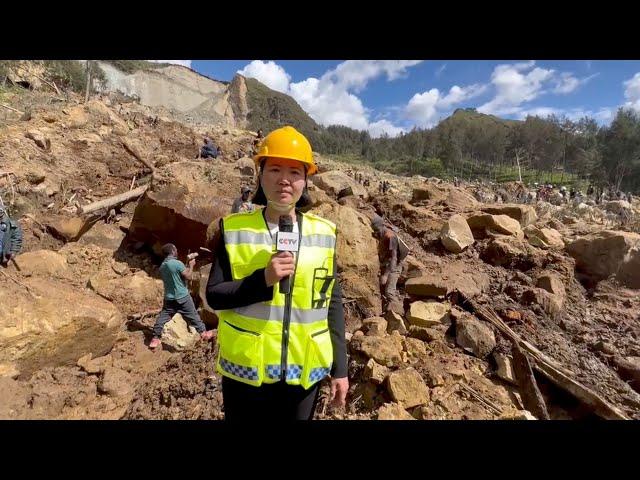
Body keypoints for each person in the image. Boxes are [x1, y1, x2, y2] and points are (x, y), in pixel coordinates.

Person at [206, 126, 348, 420]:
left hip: (303, 374)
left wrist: (340, 369)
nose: (284, 180)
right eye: (275, 170)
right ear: (260, 174)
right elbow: (214, 296)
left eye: (295, 172)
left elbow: (331, 302)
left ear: (306, 180)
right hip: (247, 374)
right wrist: (262, 280)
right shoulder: (234, 229)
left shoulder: (324, 234)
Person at [149, 243, 213, 349]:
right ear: (173, 251)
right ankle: (204, 333)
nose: (177, 252)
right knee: (194, 316)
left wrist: (186, 266)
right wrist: (191, 265)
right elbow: (188, 276)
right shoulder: (177, 263)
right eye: (176, 250)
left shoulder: (163, 266)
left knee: (163, 317)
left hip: (169, 298)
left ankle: (155, 338)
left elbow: (176, 277)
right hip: (182, 297)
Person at [371, 215, 408, 312]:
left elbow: (394, 258)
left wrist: (386, 275)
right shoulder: (381, 231)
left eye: (377, 230)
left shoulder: (391, 237)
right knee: (382, 289)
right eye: (374, 230)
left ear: (382, 226)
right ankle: (387, 312)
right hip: (386, 263)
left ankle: (399, 314)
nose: (376, 232)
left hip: (394, 265)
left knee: (389, 292)